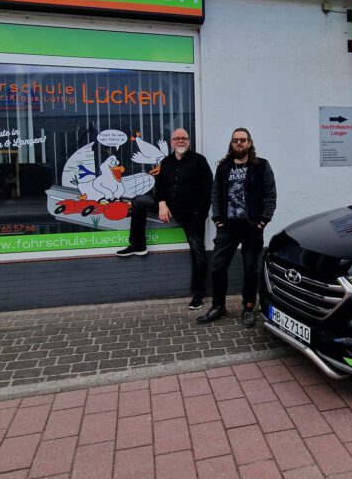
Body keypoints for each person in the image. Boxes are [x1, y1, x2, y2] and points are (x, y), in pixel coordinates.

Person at [117, 128, 212, 311]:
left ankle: (199, 294)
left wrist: (199, 213)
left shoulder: (199, 160)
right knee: (138, 201)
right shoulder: (166, 162)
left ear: (189, 141)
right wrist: (161, 204)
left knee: (198, 251)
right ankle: (138, 245)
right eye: (177, 138)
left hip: (192, 213)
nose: (180, 141)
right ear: (171, 142)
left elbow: (208, 188)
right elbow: (159, 187)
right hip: (168, 206)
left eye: (184, 138)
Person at [198, 127, 276, 328]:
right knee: (217, 267)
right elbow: (215, 194)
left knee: (250, 269)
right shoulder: (224, 167)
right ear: (231, 143)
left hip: (252, 227)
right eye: (235, 140)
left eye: (243, 140)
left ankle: (248, 307)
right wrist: (217, 218)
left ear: (249, 143)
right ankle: (218, 306)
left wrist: (263, 221)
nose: (239, 143)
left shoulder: (261, 166)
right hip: (227, 227)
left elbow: (271, 195)